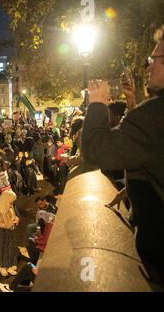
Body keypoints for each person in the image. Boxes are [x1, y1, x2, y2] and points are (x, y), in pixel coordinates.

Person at [81, 25, 164, 285]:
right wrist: (133, 101)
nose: (148, 66)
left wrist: (96, 103)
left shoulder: (154, 115)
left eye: (154, 60)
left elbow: (96, 151)